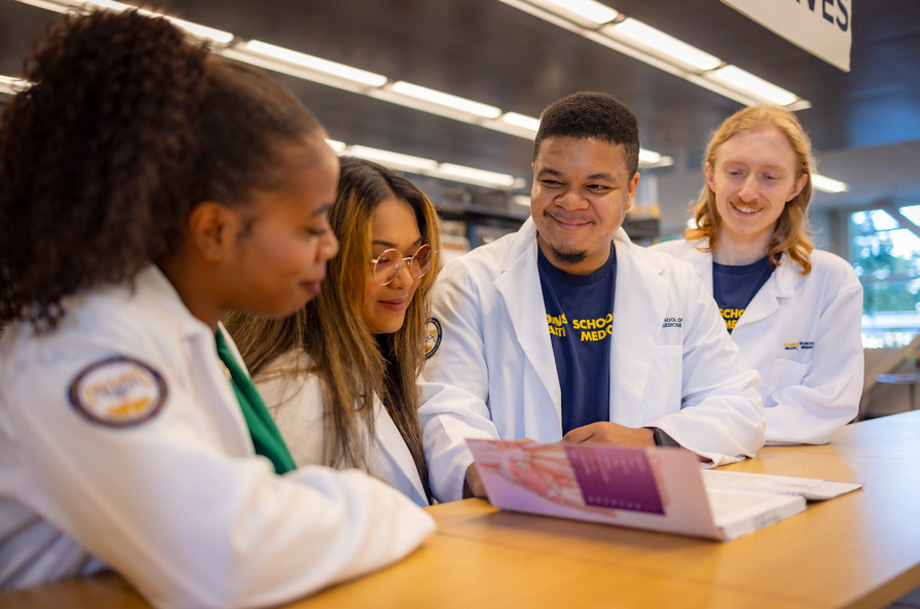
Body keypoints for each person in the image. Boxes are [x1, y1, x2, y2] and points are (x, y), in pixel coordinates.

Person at [0, 10, 433, 608]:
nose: (331, 248)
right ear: (214, 230)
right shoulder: (85, 346)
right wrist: (385, 506)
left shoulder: (193, 331)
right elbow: (226, 552)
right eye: (311, 226)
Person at [418, 91, 765, 502]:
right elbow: (446, 409)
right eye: (552, 182)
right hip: (514, 522)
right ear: (533, 176)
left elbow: (739, 406)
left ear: (631, 190)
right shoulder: (470, 282)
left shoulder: (676, 286)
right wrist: (496, 478)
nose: (571, 202)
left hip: (643, 518)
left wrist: (653, 443)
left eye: (597, 186)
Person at [225, 156, 440, 507]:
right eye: (382, 259)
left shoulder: (377, 364)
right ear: (321, 259)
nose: (406, 279)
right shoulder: (292, 391)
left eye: (415, 255)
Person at [650, 106, 864, 445]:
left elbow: (827, 405)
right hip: (668, 466)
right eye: (735, 172)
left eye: (769, 176)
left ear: (796, 185)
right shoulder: (656, 269)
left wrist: (695, 434)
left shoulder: (830, 281)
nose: (748, 192)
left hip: (773, 469)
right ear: (710, 175)